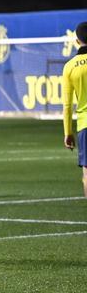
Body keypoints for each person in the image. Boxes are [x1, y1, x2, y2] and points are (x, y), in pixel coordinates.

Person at [62, 21, 87, 197]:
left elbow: (67, 105)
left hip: (85, 125)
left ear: (77, 41)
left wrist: (67, 132)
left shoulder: (70, 66)